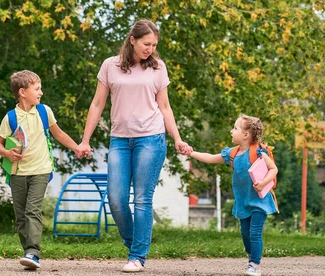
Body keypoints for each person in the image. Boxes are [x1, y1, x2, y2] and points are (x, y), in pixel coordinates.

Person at [78, 19, 192, 273]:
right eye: (146, 43)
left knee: (142, 198)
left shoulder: (158, 68)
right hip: (119, 140)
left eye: (154, 45)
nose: (150, 49)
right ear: (132, 40)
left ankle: (137, 256)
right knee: (116, 199)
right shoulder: (110, 65)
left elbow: (164, 106)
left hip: (151, 138)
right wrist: (85, 139)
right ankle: (135, 245)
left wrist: (177, 137)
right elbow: (97, 104)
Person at [0, 70, 83, 271]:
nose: (41, 92)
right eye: (37, 89)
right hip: (17, 172)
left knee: (32, 210)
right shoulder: (10, 117)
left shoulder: (44, 111)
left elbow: (58, 134)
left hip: (41, 169)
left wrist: (76, 147)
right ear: (22, 92)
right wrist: (7, 153)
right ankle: (29, 252)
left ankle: (33, 252)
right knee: (20, 215)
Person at [187, 114, 278, 276]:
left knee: (255, 232)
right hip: (243, 201)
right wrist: (191, 153)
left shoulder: (258, 152)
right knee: (245, 233)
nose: (231, 131)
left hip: (259, 201)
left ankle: (255, 264)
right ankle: (251, 256)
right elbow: (210, 158)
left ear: (245, 134)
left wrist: (263, 183)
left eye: (235, 128)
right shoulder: (232, 153)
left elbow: (273, 169)